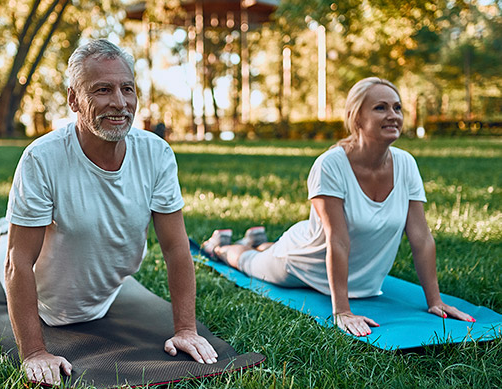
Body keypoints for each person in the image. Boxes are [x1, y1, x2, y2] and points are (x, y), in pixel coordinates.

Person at [0, 39, 217, 386]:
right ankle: (4, 229)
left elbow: (176, 246)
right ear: (73, 99)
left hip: (99, 291)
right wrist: (34, 352)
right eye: (102, 90)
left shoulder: (157, 154)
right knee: (7, 245)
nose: (120, 103)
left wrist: (186, 329)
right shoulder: (41, 158)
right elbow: (18, 261)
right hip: (37, 283)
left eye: (127, 89)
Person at [202, 77, 475, 338]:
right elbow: (338, 239)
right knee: (248, 262)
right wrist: (342, 311)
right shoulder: (331, 165)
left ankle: (258, 241)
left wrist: (435, 300)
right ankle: (220, 246)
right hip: (301, 264)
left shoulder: (406, 164)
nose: (393, 115)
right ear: (357, 118)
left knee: (264, 250)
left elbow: (421, 236)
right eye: (380, 108)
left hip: (360, 281)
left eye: (397, 107)